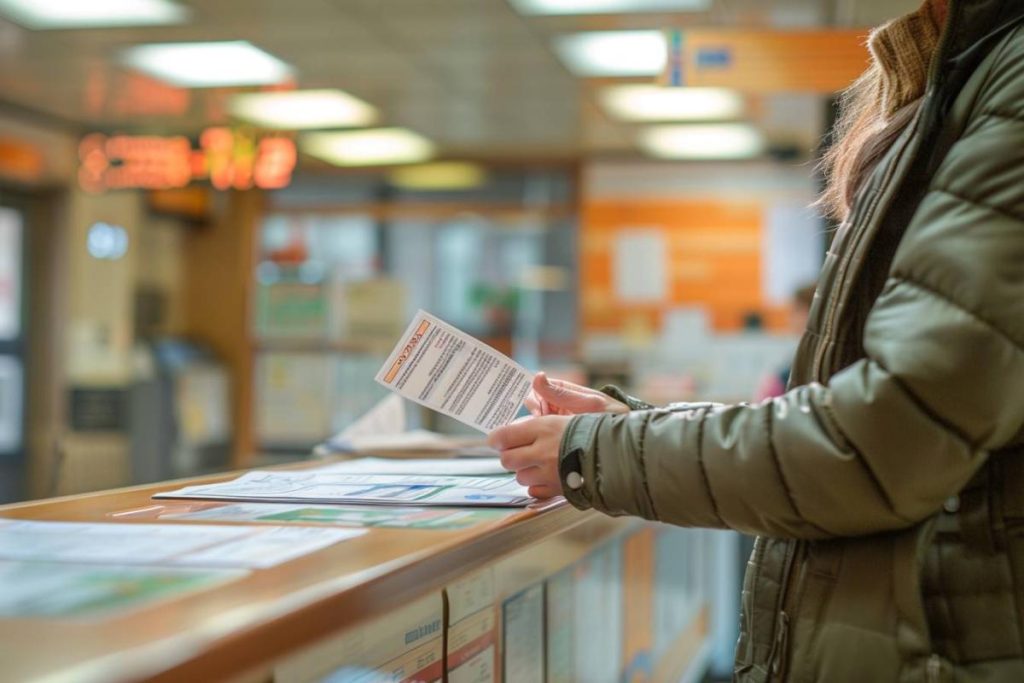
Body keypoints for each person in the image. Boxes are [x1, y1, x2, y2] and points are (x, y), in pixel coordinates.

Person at [488, 1, 1024, 680]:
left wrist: (604, 450)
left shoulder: (1006, 81)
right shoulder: (956, 68)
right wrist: (633, 424)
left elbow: (876, 442)